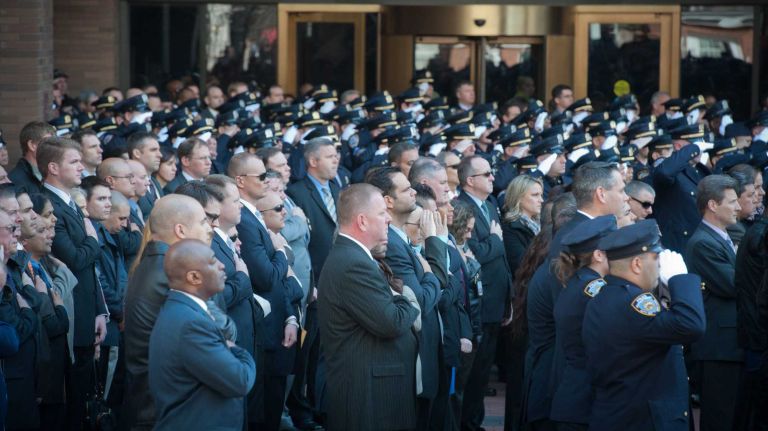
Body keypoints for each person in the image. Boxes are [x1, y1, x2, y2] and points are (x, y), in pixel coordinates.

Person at [583, 219, 705, 431]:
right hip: (642, 420)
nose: (660, 265)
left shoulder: (608, 295)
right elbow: (692, 325)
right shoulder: (634, 303)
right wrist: (680, 278)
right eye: (657, 257)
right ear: (637, 264)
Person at [317, 183, 420, 431]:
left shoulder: (357, 257)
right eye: (383, 213)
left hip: (375, 388)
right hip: (370, 395)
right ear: (362, 221)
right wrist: (406, 297)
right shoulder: (354, 263)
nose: (388, 219)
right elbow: (392, 321)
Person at [123, 194, 213, 430]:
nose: (210, 229)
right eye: (204, 222)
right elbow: (214, 332)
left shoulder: (156, 264)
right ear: (181, 230)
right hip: (165, 409)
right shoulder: (170, 273)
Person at [149, 239, 256, 430]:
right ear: (194, 277)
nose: (223, 265)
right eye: (213, 261)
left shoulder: (182, 310)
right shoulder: (192, 324)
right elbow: (240, 380)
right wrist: (238, 351)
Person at [366, 166, 444, 429]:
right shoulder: (392, 246)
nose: (414, 192)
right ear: (388, 200)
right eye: (406, 189)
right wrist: (431, 261)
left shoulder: (401, 241)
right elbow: (421, 300)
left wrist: (426, 270)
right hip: (408, 362)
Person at [38, 136, 108, 428]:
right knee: (72, 409)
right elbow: (76, 260)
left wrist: (99, 310)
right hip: (69, 316)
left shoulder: (69, 201)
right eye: (74, 162)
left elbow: (89, 269)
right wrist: (93, 238)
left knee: (82, 403)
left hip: (86, 313)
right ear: (53, 167)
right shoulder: (48, 204)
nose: (82, 167)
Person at [456, 155, 513, 431]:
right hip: (478, 302)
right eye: (487, 174)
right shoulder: (462, 206)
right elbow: (474, 253)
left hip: (495, 299)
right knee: (473, 373)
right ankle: (466, 423)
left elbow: (496, 258)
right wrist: (495, 240)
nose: (493, 177)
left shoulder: (489, 204)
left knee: (482, 375)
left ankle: (474, 422)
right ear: (470, 180)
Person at [684, 175, 743, 431]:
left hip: (731, 346)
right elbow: (735, 285)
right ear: (712, 205)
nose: (739, 207)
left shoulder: (720, 237)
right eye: (732, 202)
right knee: (721, 418)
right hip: (719, 349)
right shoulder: (703, 243)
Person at [550, 215, 616, 430]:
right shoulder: (595, 289)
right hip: (585, 399)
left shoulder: (579, 281)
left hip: (575, 395)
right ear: (598, 255)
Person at [502, 175, 544, 276]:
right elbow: (521, 266)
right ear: (519, 198)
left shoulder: (541, 223)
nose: (541, 200)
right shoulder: (510, 229)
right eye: (535, 195)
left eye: (541, 195)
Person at [9, 121, 55, 194]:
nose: (54, 148)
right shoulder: (16, 180)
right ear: (32, 145)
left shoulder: (49, 172)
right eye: (48, 143)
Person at [128, 132, 163, 219]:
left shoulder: (154, 182)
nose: (160, 155)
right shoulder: (128, 184)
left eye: (159, 150)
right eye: (153, 150)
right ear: (137, 153)